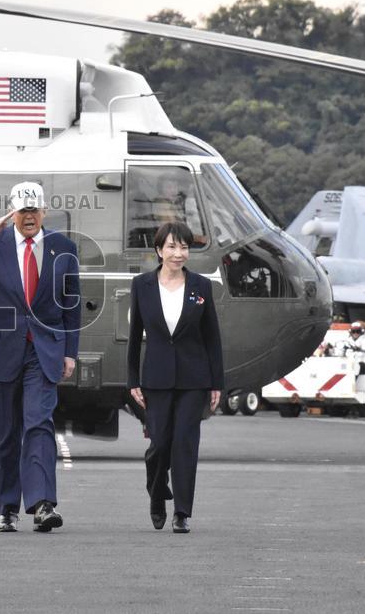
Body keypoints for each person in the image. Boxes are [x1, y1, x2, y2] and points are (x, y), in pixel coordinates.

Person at [0, 181, 81, 533]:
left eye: (35, 210)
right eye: (23, 211)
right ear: (13, 212)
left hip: (44, 350)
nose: (30, 216)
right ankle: (7, 508)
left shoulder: (63, 248)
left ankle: (42, 505)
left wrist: (70, 352)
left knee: (39, 422)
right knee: (4, 434)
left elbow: (72, 303)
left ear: (44, 212)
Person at [127, 221, 223, 534]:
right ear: (159, 250)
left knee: (184, 443)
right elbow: (134, 336)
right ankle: (156, 492)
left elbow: (212, 338)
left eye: (183, 247)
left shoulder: (201, 286)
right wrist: (132, 380)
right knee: (159, 445)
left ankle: (182, 512)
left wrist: (216, 383)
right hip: (156, 377)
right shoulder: (141, 285)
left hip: (194, 379)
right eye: (171, 246)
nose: (178, 253)